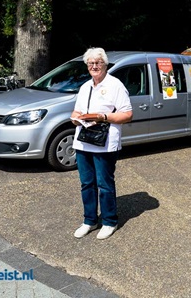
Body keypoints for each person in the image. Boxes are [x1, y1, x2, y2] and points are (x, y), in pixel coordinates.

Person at [70, 48, 133, 240]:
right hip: (83, 142)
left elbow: (127, 114)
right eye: (90, 63)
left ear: (105, 65)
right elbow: (76, 112)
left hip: (105, 144)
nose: (94, 66)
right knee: (86, 183)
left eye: (98, 62)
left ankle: (109, 221)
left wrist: (103, 117)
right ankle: (89, 220)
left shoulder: (115, 85)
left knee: (104, 184)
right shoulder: (85, 87)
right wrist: (75, 119)